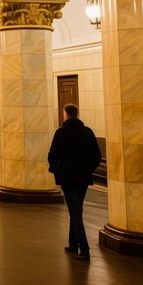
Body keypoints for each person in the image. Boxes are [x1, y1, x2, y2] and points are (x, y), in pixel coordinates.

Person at [47, 104, 102, 260]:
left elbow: (52, 155)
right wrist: (88, 169)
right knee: (77, 209)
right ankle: (72, 243)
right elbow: (97, 156)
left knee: (75, 212)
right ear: (77, 114)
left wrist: (58, 170)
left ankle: (84, 249)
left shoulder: (61, 132)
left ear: (66, 114)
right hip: (83, 179)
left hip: (68, 178)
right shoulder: (88, 132)